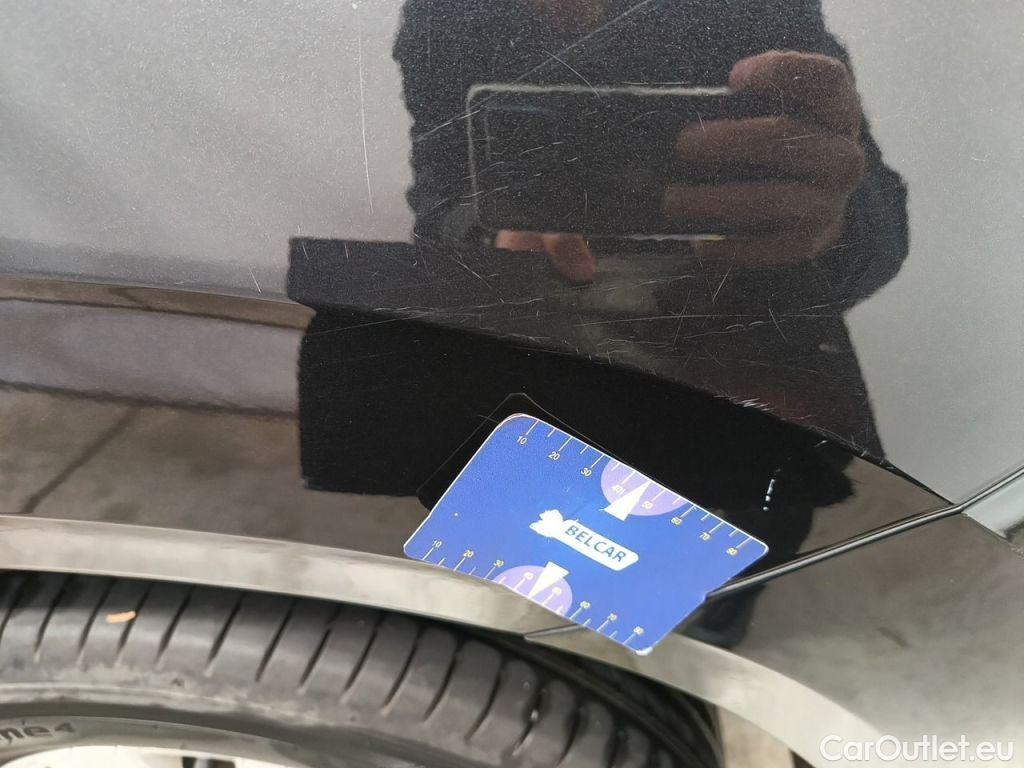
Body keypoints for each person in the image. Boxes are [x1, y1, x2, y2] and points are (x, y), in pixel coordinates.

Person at [393, 0, 909, 456]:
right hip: (553, 363)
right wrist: (493, 242)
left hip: (743, 368)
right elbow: (439, 194)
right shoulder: (442, 14)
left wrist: (837, 217)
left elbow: (879, 224)